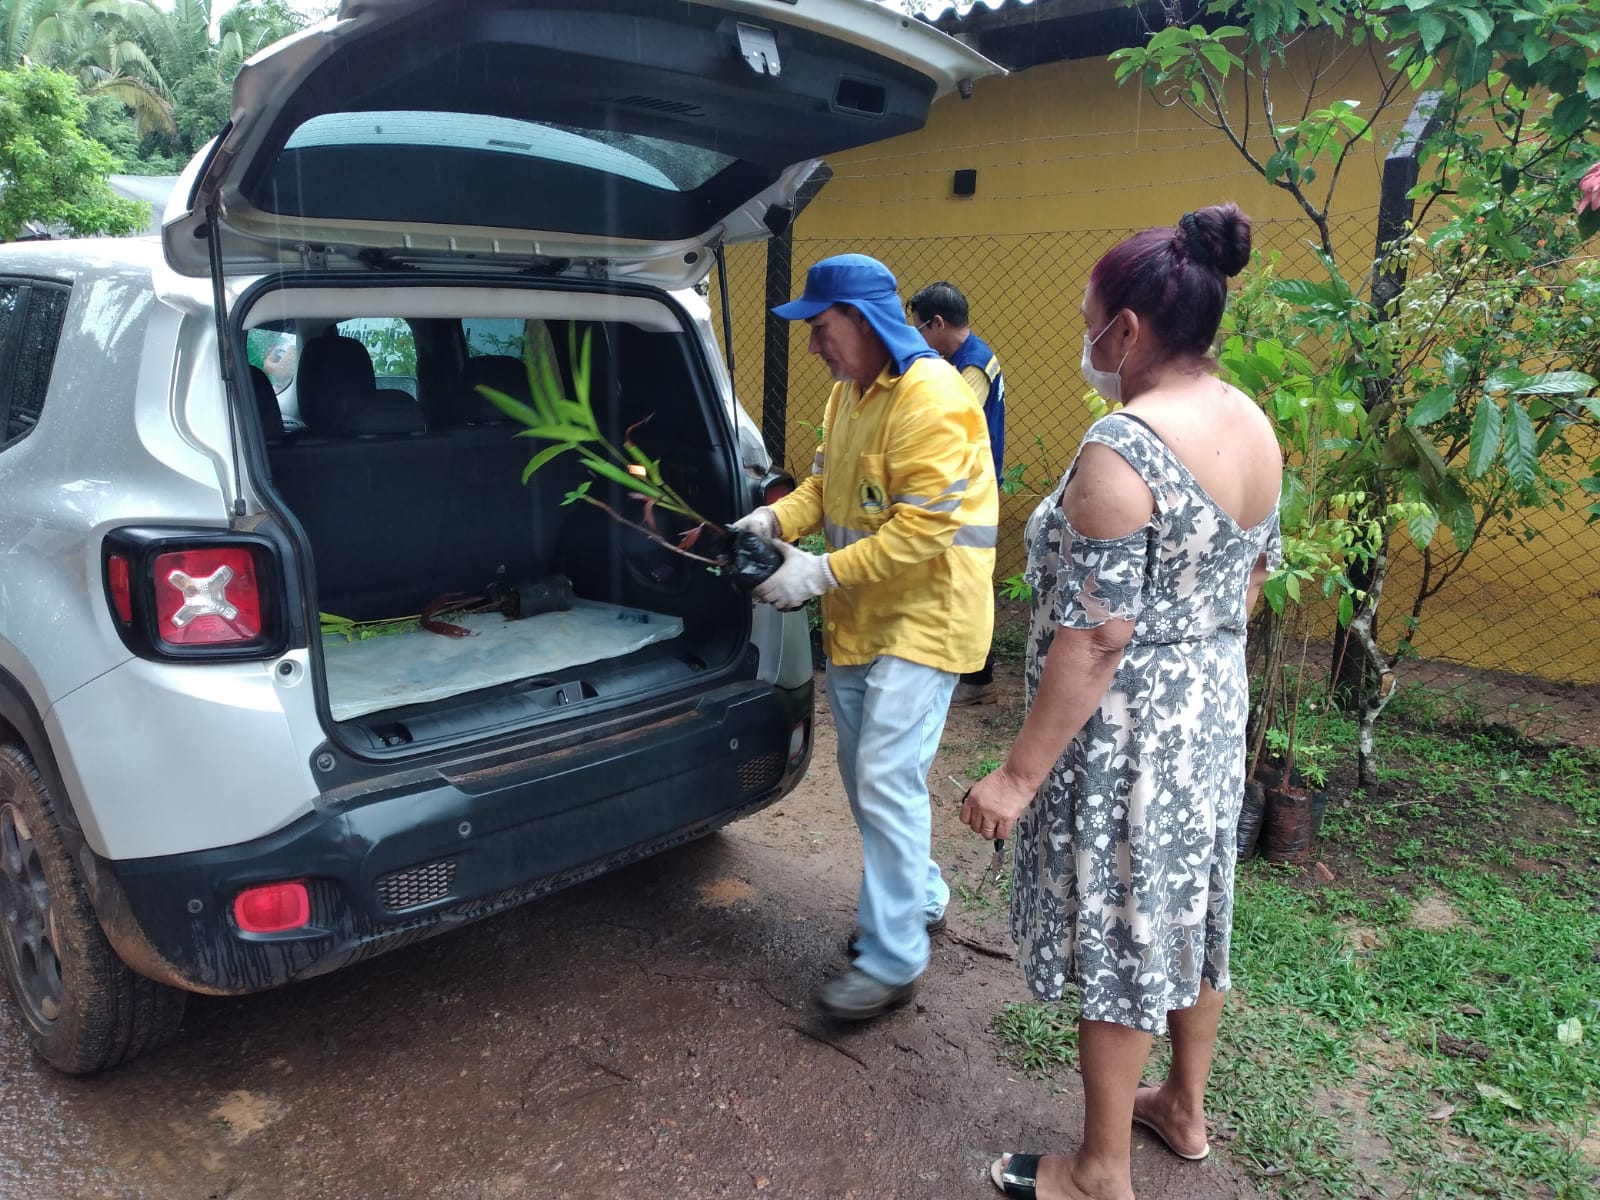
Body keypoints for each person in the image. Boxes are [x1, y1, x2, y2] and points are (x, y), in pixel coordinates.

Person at [960, 205, 1281, 1200]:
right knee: (1185, 910)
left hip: (1132, 733)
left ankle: (1098, 1170)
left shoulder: (1124, 449)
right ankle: (1182, 1109)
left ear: (1129, 329)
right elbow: (1250, 582)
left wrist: (1017, 776)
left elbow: (1098, 638)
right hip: (1208, 711)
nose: (1087, 339)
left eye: (1091, 318)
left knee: (1125, 926)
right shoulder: (1249, 420)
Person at [732, 253, 999, 1022]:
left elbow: (923, 527)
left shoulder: (934, 400)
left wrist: (815, 576)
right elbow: (824, 486)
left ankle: (893, 958)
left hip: (928, 615)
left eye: (821, 328)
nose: (813, 344)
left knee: (882, 772)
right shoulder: (849, 396)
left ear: (865, 321)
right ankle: (920, 896)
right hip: (865, 615)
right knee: (865, 775)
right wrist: (774, 520)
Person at [908, 281, 1006, 707]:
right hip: (963, 483)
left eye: (920, 329)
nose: (918, 339)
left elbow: (946, 423)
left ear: (939, 323)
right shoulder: (966, 359)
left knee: (966, 582)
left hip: (968, 489)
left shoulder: (973, 366)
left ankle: (977, 680)